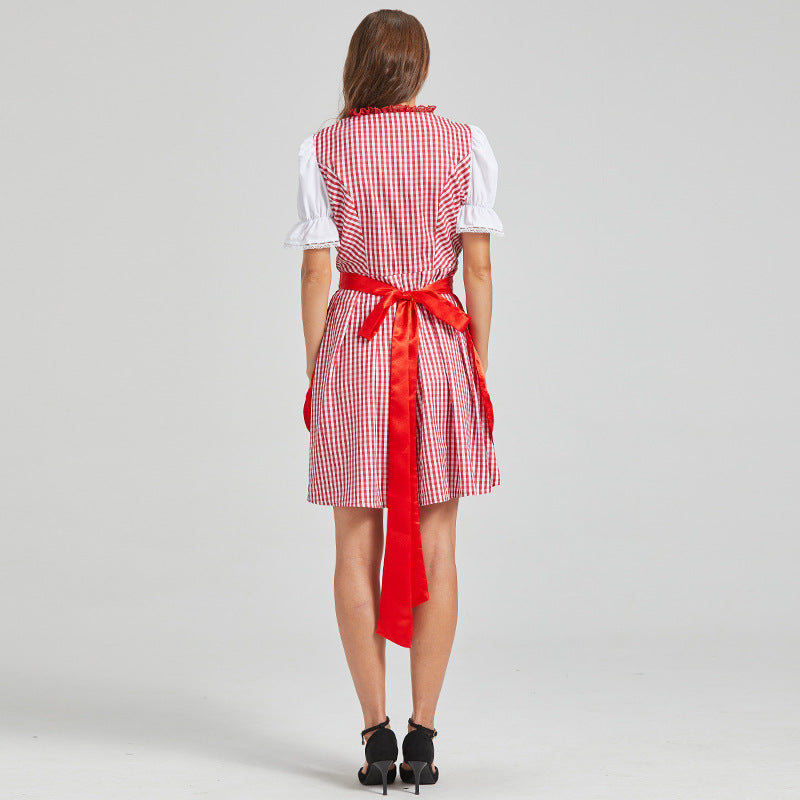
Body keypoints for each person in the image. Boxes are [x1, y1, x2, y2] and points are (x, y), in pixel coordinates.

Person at [282, 9, 504, 794]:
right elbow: (478, 267)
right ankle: (424, 736)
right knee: (439, 545)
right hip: (437, 343)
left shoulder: (323, 147)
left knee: (353, 546)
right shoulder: (464, 143)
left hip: (356, 340)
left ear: (358, 66)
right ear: (420, 68)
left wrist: (320, 369)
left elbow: (317, 271)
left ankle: (375, 734)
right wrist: (476, 361)